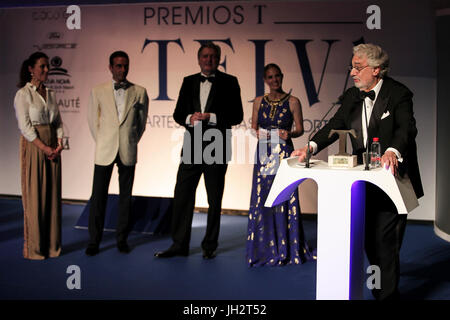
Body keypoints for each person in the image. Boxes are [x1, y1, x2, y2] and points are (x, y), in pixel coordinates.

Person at [292, 43, 423, 300]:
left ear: (376, 70)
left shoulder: (399, 94)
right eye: (351, 67)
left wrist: (392, 151)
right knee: (370, 243)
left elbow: (406, 130)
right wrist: (310, 147)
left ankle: (386, 296)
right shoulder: (352, 96)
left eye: (357, 67)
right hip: (361, 183)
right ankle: (381, 291)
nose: (352, 72)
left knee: (385, 243)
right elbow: (334, 125)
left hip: (392, 181)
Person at [154, 42, 243, 259]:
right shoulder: (189, 81)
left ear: (219, 59)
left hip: (217, 146)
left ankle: (209, 246)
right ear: (199, 59)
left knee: (214, 199)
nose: (209, 60)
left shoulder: (230, 82)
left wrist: (212, 118)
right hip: (192, 146)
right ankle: (179, 245)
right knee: (182, 195)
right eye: (205, 56)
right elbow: (177, 114)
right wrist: (189, 119)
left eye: (213, 56)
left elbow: (237, 116)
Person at [246, 63, 313, 267]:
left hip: (284, 152)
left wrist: (289, 133)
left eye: (277, 76)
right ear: (265, 80)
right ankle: (264, 246)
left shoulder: (293, 101)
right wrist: (258, 134)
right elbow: (254, 127)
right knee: (263, 197)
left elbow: (300, 129)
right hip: (264, 152)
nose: (274, 80)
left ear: (282, 77)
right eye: (270, 77)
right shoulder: (258, 101)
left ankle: (286, 247)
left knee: (284, 194)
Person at [85, 51, 149, 256]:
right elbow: (93, 122)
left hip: (128, 149)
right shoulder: (98, 91)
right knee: (98, 198)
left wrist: (129, 140)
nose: (122, 70)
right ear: (110, 67)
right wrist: (105, 140)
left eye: (125, 66)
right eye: (118, 66)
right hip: (104, 149)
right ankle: (94, 240)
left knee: (125, 198)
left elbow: (141, 124)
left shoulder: (140, 91)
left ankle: (122, 239)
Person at [14, 51, 64, 260]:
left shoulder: (51, 93)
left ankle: (52, 247)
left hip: (53, 147)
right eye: (41, 66)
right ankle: (35, 249)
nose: (45, 70)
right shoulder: (23, 94)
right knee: (35, 197)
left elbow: (58, 122)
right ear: (31, 69)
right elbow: (25, 127)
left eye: (46, 66)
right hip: (34, 146)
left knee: (52, 197)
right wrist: (44, 148)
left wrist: (60, 143)